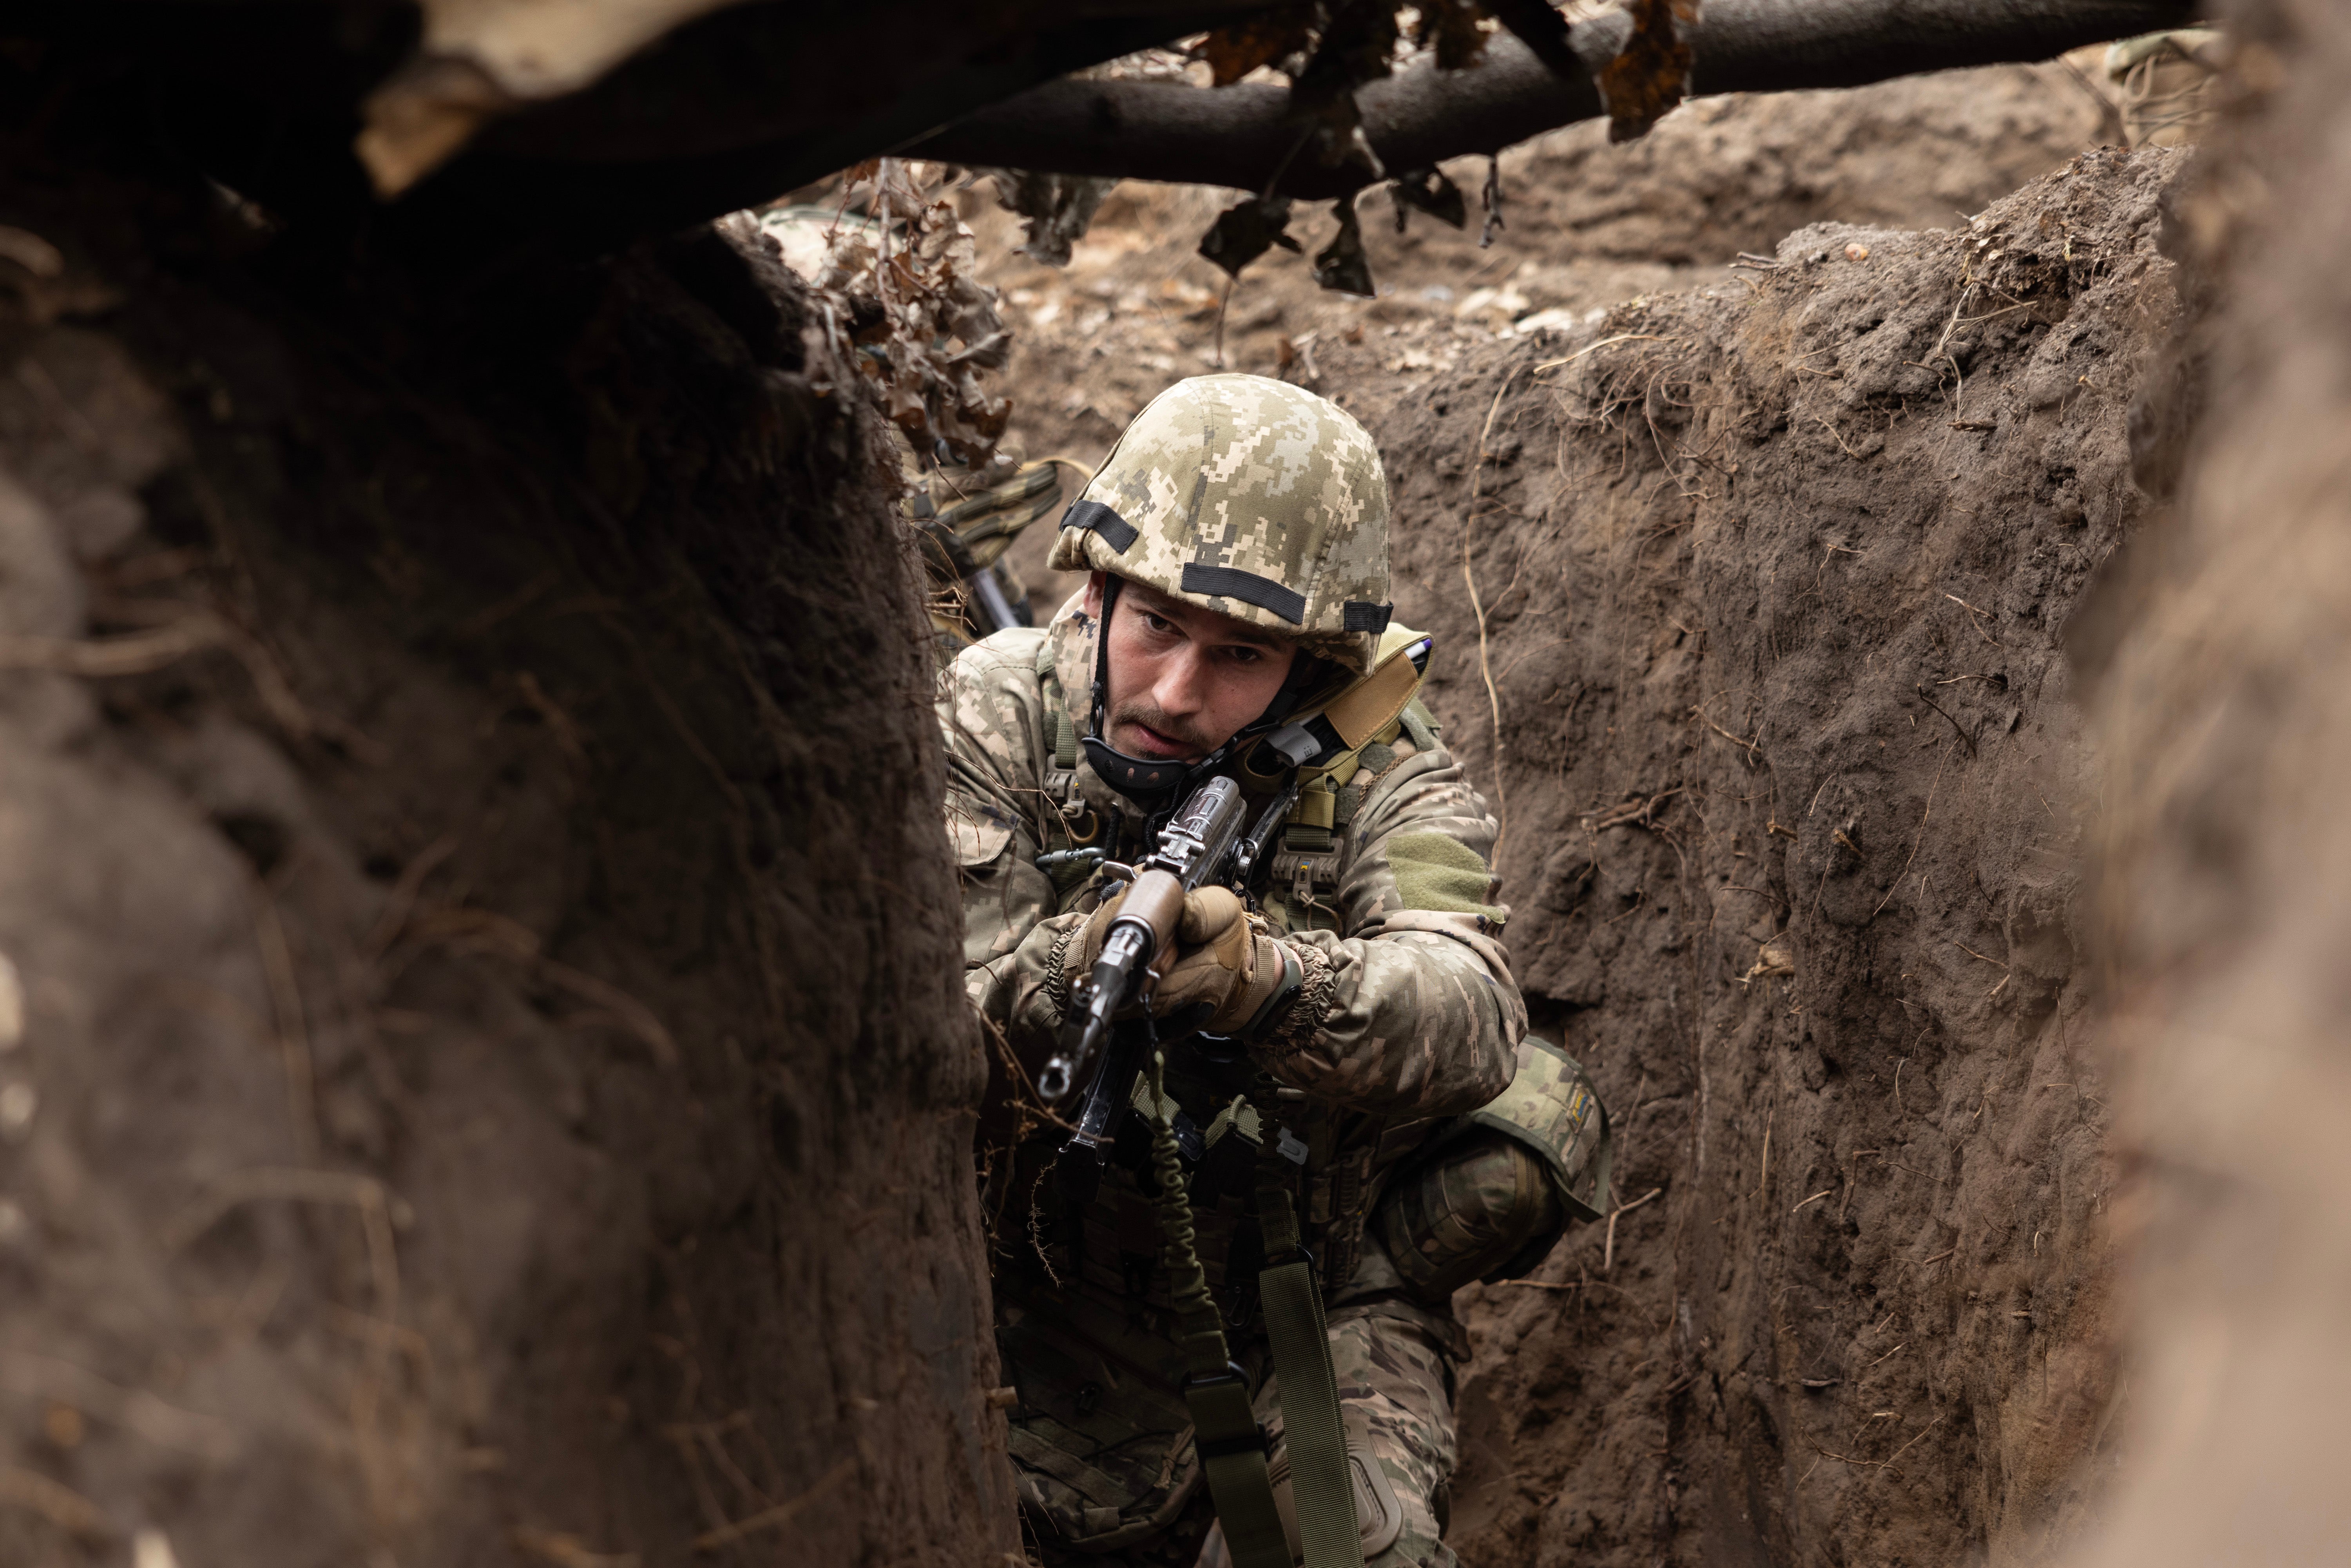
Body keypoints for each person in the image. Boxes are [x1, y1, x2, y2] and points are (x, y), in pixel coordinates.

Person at [940, 374, 1606, 1568]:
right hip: (1005, 1293)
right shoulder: (995, 713)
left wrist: (1272, 980)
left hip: (1292, 1318)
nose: (1178, 692)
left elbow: (1470, 1012)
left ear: (1311, 668)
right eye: (1156, 628)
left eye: (1239, 654)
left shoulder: (1381, 770)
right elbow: (927, 1031)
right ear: (1095, 591)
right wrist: (1072, 963)